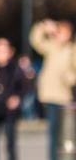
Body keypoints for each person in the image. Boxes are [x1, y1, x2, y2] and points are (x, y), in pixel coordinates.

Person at [0, 37, 34, 160]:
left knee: (11, 145)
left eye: (5, 50)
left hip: (9, 111)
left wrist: (18, 98)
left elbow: (26, 86)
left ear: (10, 52)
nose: (2, 54)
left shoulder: (15, 68)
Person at [31, 20, 76, 160]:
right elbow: (35, 39)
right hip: (50, 95)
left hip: (65, 96)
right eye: (59, 32)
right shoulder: (51, 46)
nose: (60, 35)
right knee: (53, 131)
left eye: (63, 32)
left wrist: (68, 78)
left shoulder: (72, 49)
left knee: (66, 132)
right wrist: (44, 27)